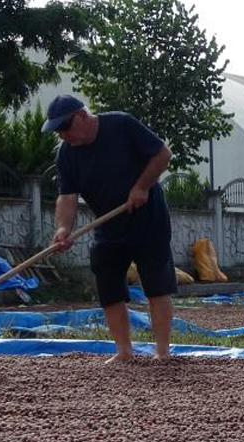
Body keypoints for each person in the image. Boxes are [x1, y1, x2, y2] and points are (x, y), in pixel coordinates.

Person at [43, 94, 176, 363]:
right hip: (108, 223)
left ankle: (162, 352)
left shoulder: (121, 125)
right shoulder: (66, 154)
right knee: (108, 285)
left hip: (148, 219)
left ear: (82, 116)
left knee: (156, 285)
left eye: (65, 127)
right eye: (57, 130)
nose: (63, 135)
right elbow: (67, 197)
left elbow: (163, 154)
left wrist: (141, 187)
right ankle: (124, 352)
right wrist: (62, 229)